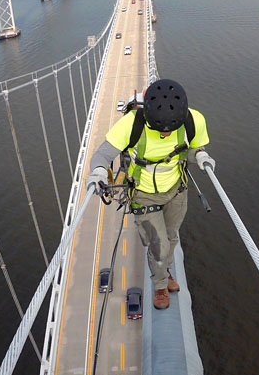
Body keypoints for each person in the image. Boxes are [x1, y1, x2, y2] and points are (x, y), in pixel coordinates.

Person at [86, 79, 214, 309]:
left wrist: (200, 156)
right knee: (158, 246)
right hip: (143, 194)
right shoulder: (131, 124)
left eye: (171, 129)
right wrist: (98, 172)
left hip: (176, 190)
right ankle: (160, 285)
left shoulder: (193, 120)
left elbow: (193, 148)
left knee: (171, 238)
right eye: (160, 130)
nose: (166, 134)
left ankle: (164, 271)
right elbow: (102, 155)